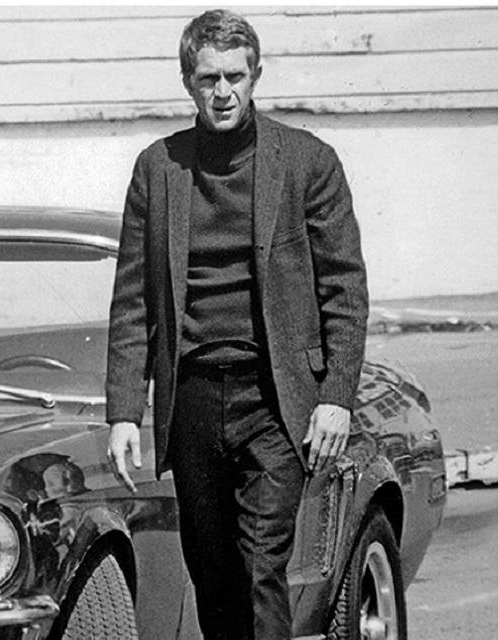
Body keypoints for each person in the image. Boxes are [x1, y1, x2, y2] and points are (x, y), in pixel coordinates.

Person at [104, 9, 369, 640]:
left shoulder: (306, 162)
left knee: (258, 568)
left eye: (234, 77)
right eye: (208, 78)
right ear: (187, 81)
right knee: (214, 577)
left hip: (274, 399)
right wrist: (124, 411)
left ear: (255, 76)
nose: (222, 92)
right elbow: (133, 298)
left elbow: (344, 289)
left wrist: (336, 397)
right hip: (192, 399)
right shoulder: (158, 168)